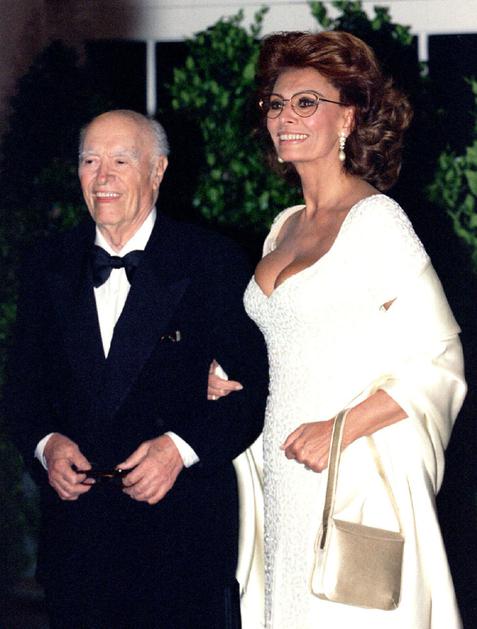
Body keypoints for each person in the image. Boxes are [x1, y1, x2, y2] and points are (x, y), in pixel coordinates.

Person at [208, 31, 467, 628]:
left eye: (306, 103)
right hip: (280, 473)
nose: (285, 117)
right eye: (276, 104)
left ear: (347, 117)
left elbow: (440, 359)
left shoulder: (377, 221)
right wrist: (231, 374)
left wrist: (339, 430)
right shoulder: (283, 226)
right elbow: (287, 344)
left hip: (348, 480)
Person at [4, 109, 268, 628]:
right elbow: (21, 389)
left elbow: (251, 392)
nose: (102, 177)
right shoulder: (46, 263)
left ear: (158, 170)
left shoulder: (212, 260)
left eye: (121, 161)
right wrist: (46, 444)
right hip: (76, 549)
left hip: (181, 547)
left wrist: (180, 449)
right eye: (90, 161)